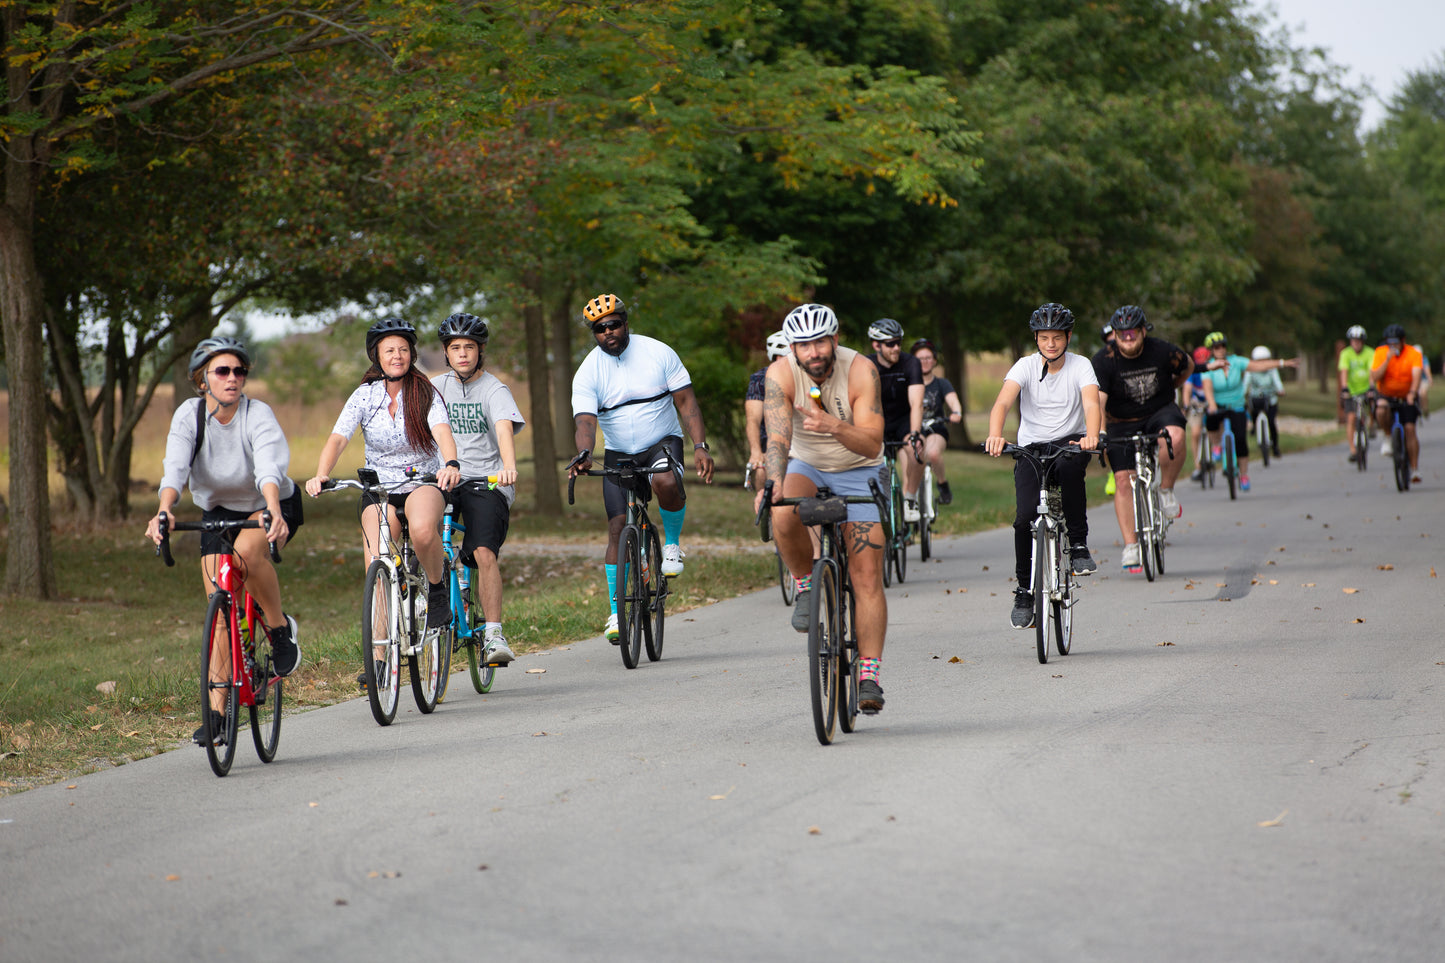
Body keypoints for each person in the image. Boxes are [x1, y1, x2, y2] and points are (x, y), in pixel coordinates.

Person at [145, 336, 302, 745]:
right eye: (223, 371)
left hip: (270, 503)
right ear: (202, 380)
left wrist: (272, 510)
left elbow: (269, 466)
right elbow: (175, 467)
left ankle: (279, 629)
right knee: (218, 614)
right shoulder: (189, 416)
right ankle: (217, 717)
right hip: (218, 513)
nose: (233, 378)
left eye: (239, 371)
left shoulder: (257, 414)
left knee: (249, 552)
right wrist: (164, 510)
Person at [305, 317, 461, 687]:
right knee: (377, 566)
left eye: (404, 349)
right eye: (390, 350)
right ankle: (378, 659)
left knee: (423, 530)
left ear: (412, 354)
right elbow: (339, 437)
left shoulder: (425, 393)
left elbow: (442, 432)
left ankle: (437, 591)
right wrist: (321, 472)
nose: (398, 356)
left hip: (422, 480)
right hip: (380, 489)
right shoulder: (364, 396)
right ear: (376, 355)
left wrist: (451, 464)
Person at [755, 303, 888, 713]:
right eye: (804, 345)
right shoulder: (779, 374)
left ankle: (868, 675)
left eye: (820, 342)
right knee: (782, 511)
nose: (813, 352)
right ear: (793, 348)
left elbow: (874, 444)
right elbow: (777, 438)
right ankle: (806, 586)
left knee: (866, 575)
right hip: (806, 463)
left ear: (834, 339)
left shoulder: (862, 370)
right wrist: (773, 482)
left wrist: (833, 425)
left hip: (859, 467)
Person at [568, 293, 715, 643]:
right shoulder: (588, 371)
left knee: (665, 480)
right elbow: (585, 421)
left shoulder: (658, 353)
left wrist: (700, 446)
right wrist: (585, 452)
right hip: (619, 451)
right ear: (594, 333)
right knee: (617, 528)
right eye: (600, 329)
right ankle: (617, 611)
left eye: (614, 324)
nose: (609, 332)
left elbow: (687, 402)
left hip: (661, 442)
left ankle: (673, 545)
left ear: (625, 322)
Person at [984, 304, 1101, 629]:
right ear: (1036, 338)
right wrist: (995, 435)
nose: (1051, 344)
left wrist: (1091, 436)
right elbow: (1003, 402)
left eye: (1057, 337)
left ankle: (1077, 544)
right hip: (1031, 447)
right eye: (1044, 337)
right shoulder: (1024, 366)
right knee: (1024, 519)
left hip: (1070, 442)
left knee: (1069, 470)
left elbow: (1091, 402)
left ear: (1068, 337)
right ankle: (1024, 591)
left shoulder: (1081, 366)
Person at [431, 312, 525, 665]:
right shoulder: (435, 387)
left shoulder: (495, 389)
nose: (463, 354)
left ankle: (493, 634)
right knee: (419, 532)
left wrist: (508, 466)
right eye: (455, 348)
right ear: (446, 351)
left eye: (469, 347)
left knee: (484, 551)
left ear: (480, 350)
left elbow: (503, 428)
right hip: (442, 478)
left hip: (485, 480)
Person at [1090, 305, 1191, 573]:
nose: (1128, 337)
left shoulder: (1162, 350)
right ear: (1115, 334)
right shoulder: (1103, 360)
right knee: (1123, 480)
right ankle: (1131, 545)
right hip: (1120, 421)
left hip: (1159, 411)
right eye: (1122, 333)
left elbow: (1187, 365)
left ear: (1143, 331)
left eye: (1133, 332)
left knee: (1175, 436)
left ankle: (1166, 490)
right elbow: (1097, 402)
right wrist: (1099, 433)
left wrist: (1172, 387)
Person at [1199, 331, 1299, 493]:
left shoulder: (1236, 362)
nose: (1220, 349)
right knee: (1210, 420)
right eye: (1216, 347)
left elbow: (1259, 366)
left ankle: (1244, 475)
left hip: (1237, 405)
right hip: (1218, 405)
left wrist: (1282, 363)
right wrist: (1211, 405)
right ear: (1211, 349)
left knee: (1240, 440)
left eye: (1223, 346)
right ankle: (1216, 445)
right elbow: (1208, 389)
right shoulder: (1209, 367)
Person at [866, 318, 924, 520]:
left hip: (903, 419)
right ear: (876, 345)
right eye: (890, 344)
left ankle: (910, 499)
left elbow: (916, 403)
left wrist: (915, 434)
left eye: (899, 342)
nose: (896, 348)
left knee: (916, 448)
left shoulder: (910, 363)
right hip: (876, 421)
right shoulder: (866, 365)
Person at [910, 338, 963, 505]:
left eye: (928, 358)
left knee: (932, 453)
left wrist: (956, 412)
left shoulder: (941, 383)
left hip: (935, 428)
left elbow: (953, 402)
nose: (924, 362)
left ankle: (942, 483)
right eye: (920, 359)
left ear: (934, 360)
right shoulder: (908, 383)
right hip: (914, 428)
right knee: (912, 458)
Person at [1371, 323, 1424, 483]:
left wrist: (1412, 393)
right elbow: (1375, 377)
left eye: (1396, 342)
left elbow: (1416, 376)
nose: (1393, 345)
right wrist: (1387, 360)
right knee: (1380, 409)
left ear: (1403, 341)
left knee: (1409, 429)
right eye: (1390, 342)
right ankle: (1388, 437)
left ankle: (1414, 469)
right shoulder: (1381, 353)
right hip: (1386, 395)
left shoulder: (1413, 354)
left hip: (1407, 395)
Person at [746, 331, 791, 492]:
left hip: (802, 442)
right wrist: (756, 452)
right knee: (761, 470)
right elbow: (753, 420)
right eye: (776, 357)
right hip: (770, 443)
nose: (780, 363)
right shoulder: (759, 379)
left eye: (784, 358)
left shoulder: (807, 377)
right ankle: (765, 512)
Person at [1338, 325, 1373, 463]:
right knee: (1351, 419)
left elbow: (1372, 371)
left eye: (1358, 341)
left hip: (1366, 388)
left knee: (1373, 406)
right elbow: (1344, 371)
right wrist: (1345, 388)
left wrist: (1371, 387)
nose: (1356, 343)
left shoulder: (1370, 353)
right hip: (1352, 391)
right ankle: (1353, 449)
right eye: (1353, 340)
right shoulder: (1346, 354)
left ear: (1363, 341)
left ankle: (1372, 424)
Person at [1244, 345, 1284, 460]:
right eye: (1259, 361)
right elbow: (1245, 384)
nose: (1262, 364)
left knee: (1271, 422)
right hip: (1256, 398)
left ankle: (1275, 447)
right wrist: (1243, 393)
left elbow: (1277, 382)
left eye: (1264, 360)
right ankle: (1255, 428)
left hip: (1270, 398)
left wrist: (1280, 390)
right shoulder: (1251, 370)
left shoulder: (1272, 369)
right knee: (1254, 414)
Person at [1185, 346, 1210, 480]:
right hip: (1197, 403)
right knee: (1195, 433)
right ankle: (1197, 465)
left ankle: (1220, 453)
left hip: (1212, 402)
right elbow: (1187, 389)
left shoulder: (1213, 371)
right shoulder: (1193, 373)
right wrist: (1186, 404)